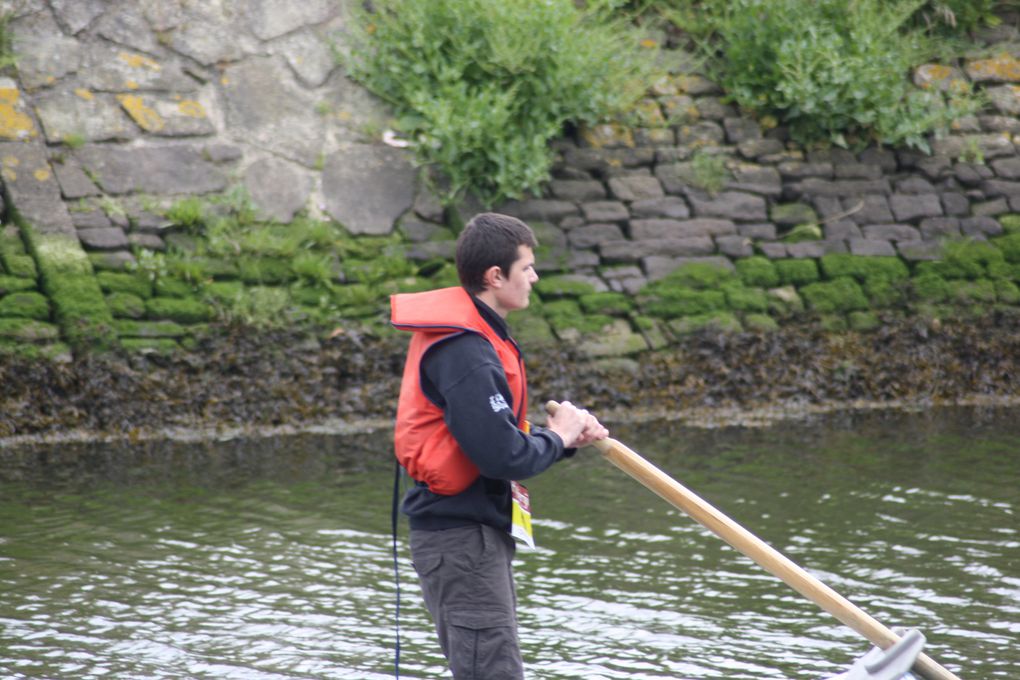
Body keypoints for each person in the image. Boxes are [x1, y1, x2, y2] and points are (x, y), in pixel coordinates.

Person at [390, 212, 609, 679]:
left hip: (471, 537)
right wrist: (559, 435)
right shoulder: (466, 350)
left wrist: (564, 441)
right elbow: (502, 456)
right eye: (526, 267)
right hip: (460, 541)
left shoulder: (476, 337)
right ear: (495, 276)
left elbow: (495, 438)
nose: (534, 276)